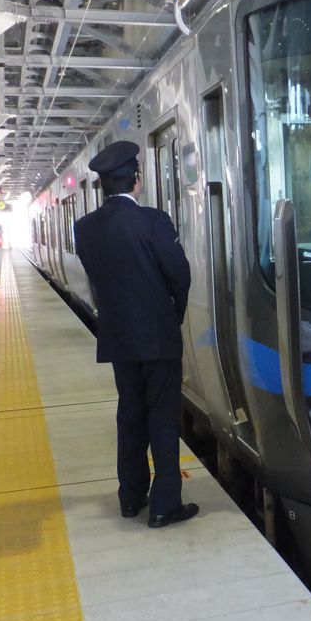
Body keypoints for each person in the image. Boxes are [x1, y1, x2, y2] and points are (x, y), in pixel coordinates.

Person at [73, 141, 198, 528]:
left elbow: (97, 281)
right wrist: (173, 315)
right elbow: (180, 275)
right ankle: (164, 505)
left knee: (130, 415)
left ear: (103, 186)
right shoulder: (153, 221)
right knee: (163, 418)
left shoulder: (85, 228)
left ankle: (130, 497)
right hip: (158, 338)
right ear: (137, 180)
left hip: (119, 339)